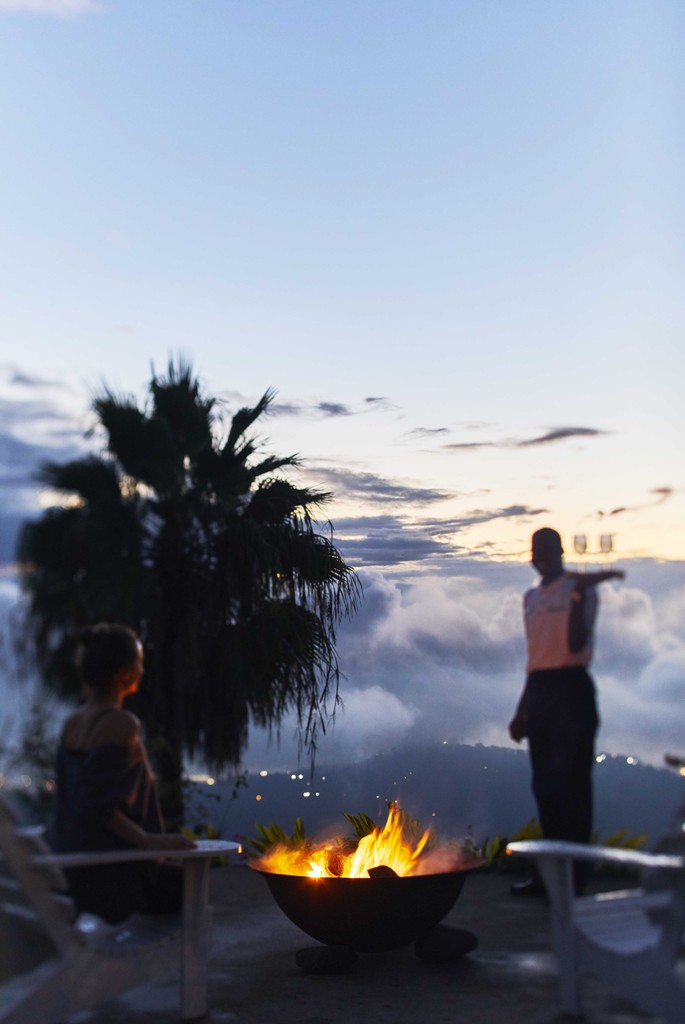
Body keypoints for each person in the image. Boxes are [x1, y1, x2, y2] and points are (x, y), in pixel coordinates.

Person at [50, 622, 195, 923]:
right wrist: (147, 840)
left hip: (73, 873)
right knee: (190, 886)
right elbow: (95, 805)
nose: (143, 669)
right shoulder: (121, 724)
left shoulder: (72, 723)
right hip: (111, 882)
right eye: (139, 661)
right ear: (123, 672)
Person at [508, 527, 625, 896]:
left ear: (560, 552)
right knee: (544, 787)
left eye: (545, 550)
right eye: (534, 551)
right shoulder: (530, 598)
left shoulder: (582, 591)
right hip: (541, 691)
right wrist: (521, 710)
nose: (539, 557)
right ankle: (548, 878)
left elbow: (574, 643)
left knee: (572, 787)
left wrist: (576, 591)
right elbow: (534, 659)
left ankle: (573, 881)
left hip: (571, 689)